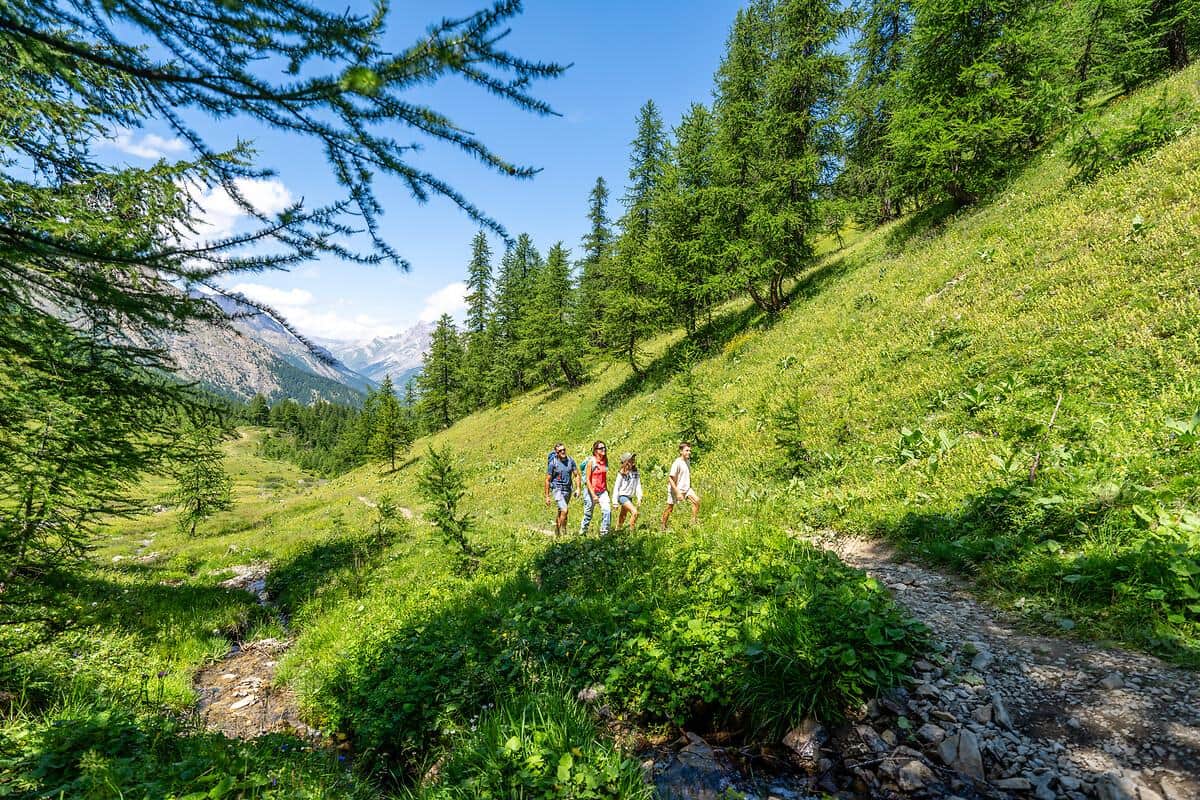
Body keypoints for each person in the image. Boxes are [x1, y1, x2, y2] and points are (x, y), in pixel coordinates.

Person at [544, 442, 581, 536]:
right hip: (557, 489)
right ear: (557, 453)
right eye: (560, 451)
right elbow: (547, 480)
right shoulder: (553, 464)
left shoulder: (570, 461)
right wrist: (547, 496)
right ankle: (560, 532)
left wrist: (578, 488)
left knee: (562, 511)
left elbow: (576, 475)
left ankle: (561, 530)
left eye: (564, 449)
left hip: (568, 489)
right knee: (565, 510)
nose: (563, 451)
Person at [661, 441, 700, 530]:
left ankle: (693, 522)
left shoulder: (687, 461)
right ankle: (663, 526)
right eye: (686, 450)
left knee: (697, 501)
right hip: (675, 489)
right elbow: (670, 479)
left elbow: (687, 475)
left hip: (686, 489)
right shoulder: (677, 463)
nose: (689, 453)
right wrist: (677, 492)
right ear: (681, 451)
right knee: (670, 508)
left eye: (690, 451)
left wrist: (690, 485)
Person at [579, 440, 611, 536]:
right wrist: (593, 494)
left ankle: (604, 533)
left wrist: (606, 489)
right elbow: (588, 480)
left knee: (607, 510)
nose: (603, 449)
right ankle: (582, 532)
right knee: (588, 513)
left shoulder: (605, 461)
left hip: (602, 491)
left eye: (604, 447)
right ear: (595, 450)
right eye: (601, 448)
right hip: (590, 492)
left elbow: (604, 477)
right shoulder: (591, 462)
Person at [613, 452, 643, 531]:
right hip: (622, 496)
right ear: (626, 462)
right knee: (635, 512)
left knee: (623, 515)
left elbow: (638, 485)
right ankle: (631, 532)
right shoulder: (621, 473)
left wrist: (639, 497)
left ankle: (617, 530)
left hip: (629, 497)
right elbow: (616, 487)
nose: (633, 461)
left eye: (633, 459)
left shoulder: (635, 472)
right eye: (631, 459)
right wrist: (615, 502)